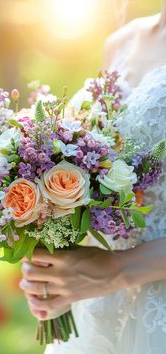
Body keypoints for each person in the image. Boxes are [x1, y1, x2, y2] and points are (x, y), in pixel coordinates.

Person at [20, 2, 166, 353]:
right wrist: (56, 265)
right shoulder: (121, 42)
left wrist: (116, 270)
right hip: (98, 310)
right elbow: (103, 168)